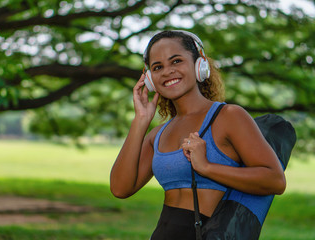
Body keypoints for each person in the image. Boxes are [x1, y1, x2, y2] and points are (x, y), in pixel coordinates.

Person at [110, 30, 286, 239]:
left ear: (199, 65)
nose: (167, 71)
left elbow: (275, 180)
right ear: (149, 79)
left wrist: (207, 167)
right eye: (157, 67)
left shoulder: (229, 116)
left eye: (176, 61)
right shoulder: (158, 134)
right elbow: (120, 189)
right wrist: (140, 121)